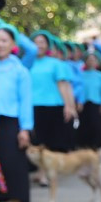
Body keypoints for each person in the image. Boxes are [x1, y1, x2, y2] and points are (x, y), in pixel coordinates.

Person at [0, 23, 34, 202]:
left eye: (4, 40)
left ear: (13, 43)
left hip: (11, 123)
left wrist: (25, 129)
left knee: (13, 164)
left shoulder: (20, 70)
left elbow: (25, 101)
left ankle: (15, 201)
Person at [29, 30, 76, 161]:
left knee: (54, 141)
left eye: (42, 42)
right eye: (36, 42)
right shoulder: (27, 63)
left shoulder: (56, 64)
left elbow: (63, 85)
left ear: (48, 45)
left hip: (54, 107)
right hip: (33, 106)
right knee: (37, 142)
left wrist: (69, 106)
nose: (39, 45)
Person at [79, 50, 101, 149]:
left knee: (96, 124)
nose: (91, 62)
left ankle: (97, 144)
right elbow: (78, 89)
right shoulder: (81, 75)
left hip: (96, 104)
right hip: (83, 104)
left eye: (93, 60)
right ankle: (84, 145)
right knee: (84, 124)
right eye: (89, 59)